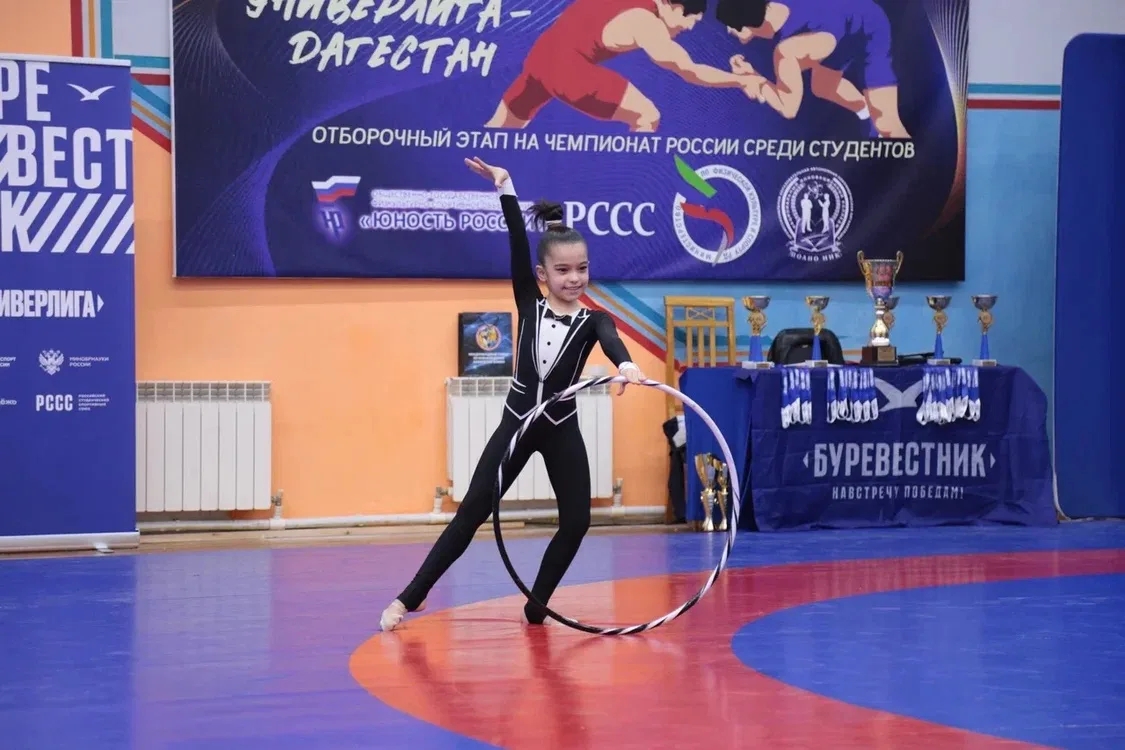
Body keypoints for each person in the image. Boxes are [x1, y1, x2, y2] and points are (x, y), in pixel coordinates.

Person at [379, 157, 646, 631]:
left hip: (561, 428)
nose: (574, 278)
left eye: (582, 269)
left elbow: (612, 341)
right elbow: (517, 241)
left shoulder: (594, 321)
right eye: (563, 270)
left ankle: (537, 603)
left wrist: (625, 365)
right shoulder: (529, 302)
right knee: (471, 513)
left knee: (578, 521)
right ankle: (410, 596)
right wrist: (505, 187)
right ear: (542, 275)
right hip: (517, 423)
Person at [485, 0, 760, 132]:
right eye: (691, 20)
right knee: (647, 116)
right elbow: (690, 70)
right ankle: (629, 187)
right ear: (670, 4)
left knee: (499, 133)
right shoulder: (646, 22)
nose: (688, 28)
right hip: (567, 69)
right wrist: (741, 80)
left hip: (539, 57)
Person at [716, 0, 911, 138]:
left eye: (731, 25)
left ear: (747, 24)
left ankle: (883, 129)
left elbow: (788, 108)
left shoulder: (787, 51)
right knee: (823, 86)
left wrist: (752, 79)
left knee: (887, 125)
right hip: (839, 32)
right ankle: (867, 113)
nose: (728, 31)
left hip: (869, 29)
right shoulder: (775, 14)